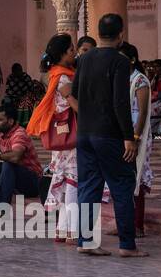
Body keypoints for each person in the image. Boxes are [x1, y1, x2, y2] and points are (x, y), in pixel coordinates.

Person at [72, 13, 143, 257]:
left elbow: (75, 94)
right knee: (122, 186)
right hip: (110, 135)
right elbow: (120, 102)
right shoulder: (121, 62)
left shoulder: (84, 59)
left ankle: (85, 241)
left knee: (89, 188)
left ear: (98, 33)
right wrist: (128, 136)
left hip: (85, 133)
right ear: (120, 35)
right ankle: (127, 245)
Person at [33, 34, 80, 242]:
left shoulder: (57, 74)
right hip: (69, 137)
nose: (75, 53)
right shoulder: (63, 77)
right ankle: (71, 231)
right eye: (71, 50)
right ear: (62, 54)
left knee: (67, 181)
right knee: (72, 182)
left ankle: (63, 230)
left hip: (63, 137)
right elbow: (75, 106)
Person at [121, 42, 154, 238]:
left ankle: (137, 225)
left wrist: (134, 137)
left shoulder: (140, 80)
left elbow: (141, 112)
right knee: (122, 178)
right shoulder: (120, 78)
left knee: (136, 177)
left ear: (132, 59)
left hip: (136, 135)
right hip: (122, 134)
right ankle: (124, 223)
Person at [0, 101, 43, 215]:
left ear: (10, 121)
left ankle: (2, 208)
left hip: (32, 183)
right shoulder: (0, 133)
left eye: (0, 120)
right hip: (16, 180)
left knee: (8, 163)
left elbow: (15, 157)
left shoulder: (19, 133)